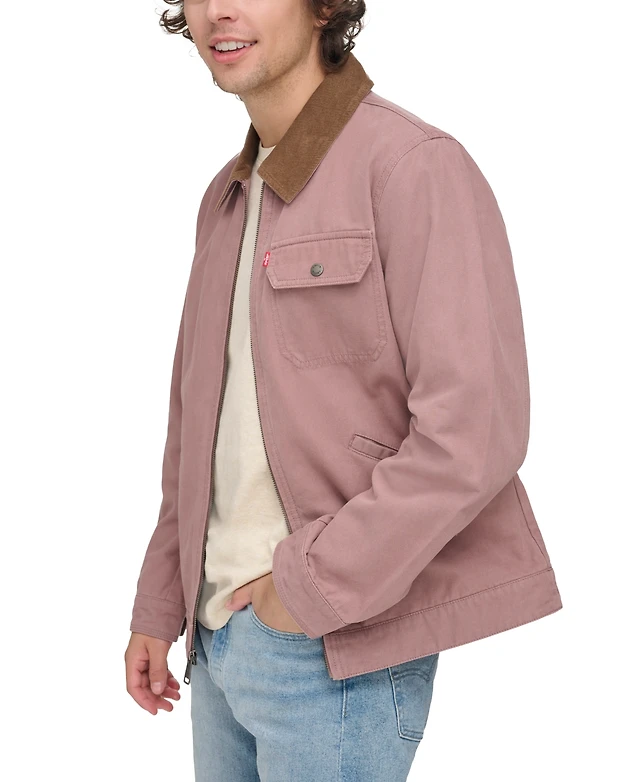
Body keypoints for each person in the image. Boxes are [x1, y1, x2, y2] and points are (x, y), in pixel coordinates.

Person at [124, 1, 563, 779]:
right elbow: (194, 429)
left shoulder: (413, 166)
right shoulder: (226, 198)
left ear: (324, 6)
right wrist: (161, 602)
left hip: (333, 648)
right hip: (217, 642)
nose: (219, 11)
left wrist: (303, 591)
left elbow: (474, 433)